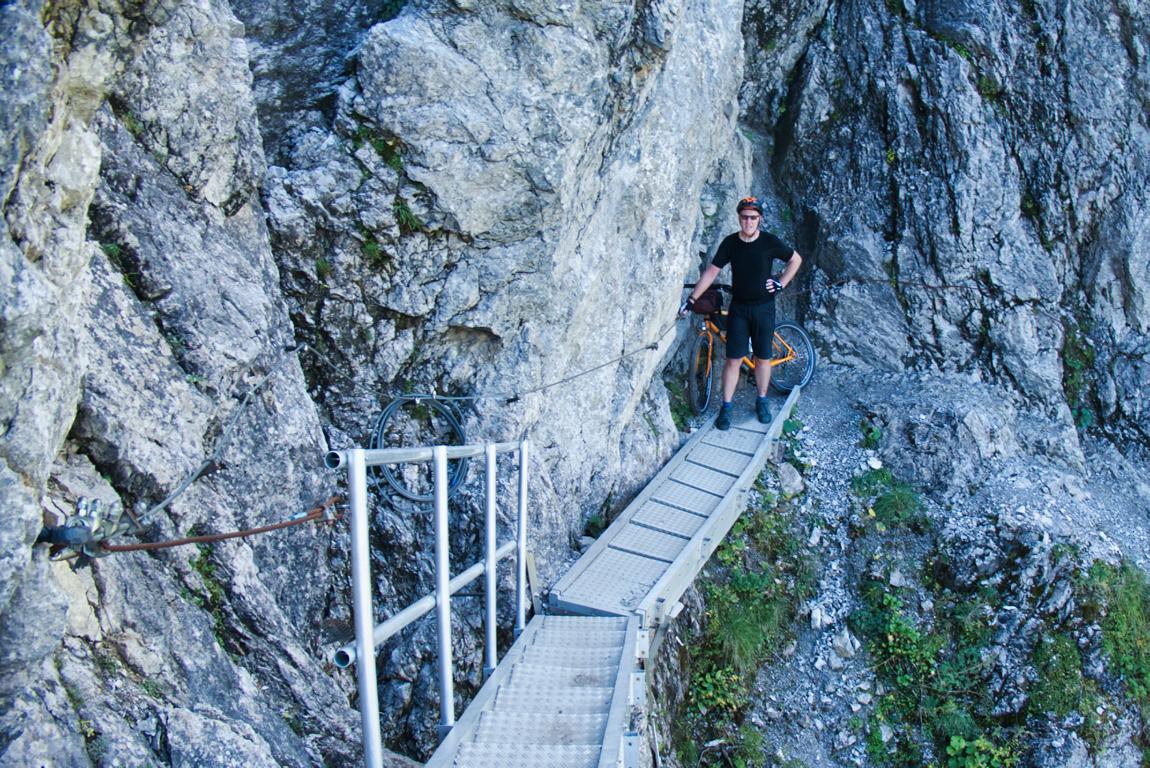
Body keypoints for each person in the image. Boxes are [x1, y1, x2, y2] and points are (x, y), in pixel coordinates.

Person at [680, 196, 803, 430]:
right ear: (739, 218)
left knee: (762, 358)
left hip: (764, 308)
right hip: (739, 308)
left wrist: (782, 283)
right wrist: (692, 298)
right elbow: (711, 272)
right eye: (744, 217)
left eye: (753, 218)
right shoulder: (730, 244)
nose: (748, 222)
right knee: (733, 359)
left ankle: (762, 400)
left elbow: (795, 259)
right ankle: (726, 407)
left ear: (760, 219)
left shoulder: (769, 242)